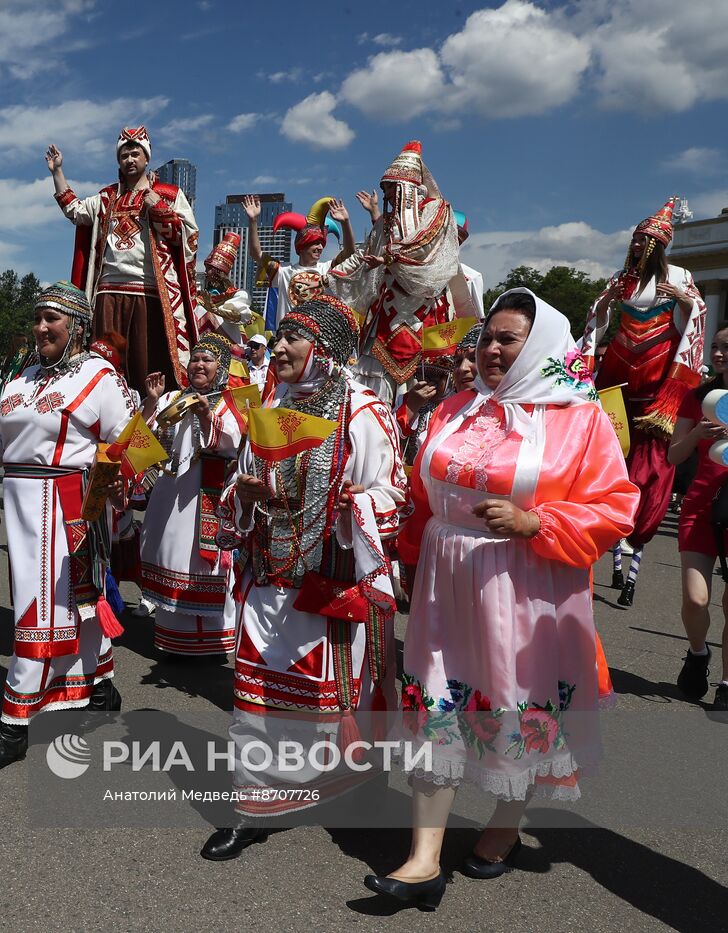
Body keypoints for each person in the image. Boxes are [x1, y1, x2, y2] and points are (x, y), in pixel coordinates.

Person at [364, 289, 637, 910]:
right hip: (445, 579)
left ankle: (507, 823)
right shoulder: (455, 409)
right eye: (486, 337)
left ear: (537, 347)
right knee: (439, 698)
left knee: (516, 698)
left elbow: (616, 507)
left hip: (527, 584)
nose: (490, 348)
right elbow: (421, 488)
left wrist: (535, 523)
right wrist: (406, 556)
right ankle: (423, 860)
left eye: (506, 339)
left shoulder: (579, 418)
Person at [200, 295, 406, 862]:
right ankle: (252, 804)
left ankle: (356, 788)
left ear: (328, 350)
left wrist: (351, 506)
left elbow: (394, 497)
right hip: (270, 575)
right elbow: (238, 481)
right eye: (279, 335)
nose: (282, 347)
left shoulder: (362, 410)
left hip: (332, 582)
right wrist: (244, 495)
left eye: (296, 337)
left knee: (340, 699)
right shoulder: (270, 407)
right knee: (255, 696)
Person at [0, 282, 136, 773]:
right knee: (70, 605)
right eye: (38, 318)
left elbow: (128, 443)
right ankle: (99, 687)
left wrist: (99, 504)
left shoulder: (98, 375)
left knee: (38, 612)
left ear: (78, 326)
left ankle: (14, 725)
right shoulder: (22, 377)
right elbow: (4, 442)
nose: (41, 327)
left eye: (53, 320)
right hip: (21, 502)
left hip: (65, 507)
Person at [582, 199, 708, 606]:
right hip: (618, 375)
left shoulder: (680, 276)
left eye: (648, 242)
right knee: (613, 461)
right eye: (637, 240)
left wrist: (685, 302)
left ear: (662, 246)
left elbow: (698, 316)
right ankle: (617, 552)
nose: (640, 247)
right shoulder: (623, 277)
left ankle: (635, 549)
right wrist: (602, 306)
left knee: (649, 472)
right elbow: (598, 317)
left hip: (657, 384)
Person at [48, 127, 202, 393]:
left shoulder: (168, 194)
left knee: (148, 366)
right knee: (105, 364)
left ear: (146, 158)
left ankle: (150, 422)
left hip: (150, 292)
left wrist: (160, 209)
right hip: (108, 292)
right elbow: (75, 211)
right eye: (124, 155)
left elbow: (186, 238)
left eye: (135, 153)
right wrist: (57, 172)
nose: (130, 159)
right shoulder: (107, 197)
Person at [326, 141, 472, 404]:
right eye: (387, 189)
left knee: (429, 383)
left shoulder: (437, 213)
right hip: (387, 314)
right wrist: (333, 275)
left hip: (427, 313)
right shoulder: (385, 223)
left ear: (409, 189)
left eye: (394, 188)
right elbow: (364, 254)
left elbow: (425, 249)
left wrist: (389, 258)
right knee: (374, 380)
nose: (390, 194)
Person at [138, 332, 245, 658]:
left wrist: (204, 415)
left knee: (201, 564)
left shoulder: (229, 403)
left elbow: (233, 442)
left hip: (206, 501)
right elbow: (144, 442)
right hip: (170, 496)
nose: (199, 364)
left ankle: (211, 646)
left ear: (222, 367)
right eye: (195, 358)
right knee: (170, 556)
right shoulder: (172, 398)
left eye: (207, 360)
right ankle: (173, 642)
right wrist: (153, 401)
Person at [667, 323, 728, 712]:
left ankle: (726, 683)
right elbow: (674, 455)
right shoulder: (699, 397)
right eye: (716, 347)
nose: (717, 354)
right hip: (701, 504)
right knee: (696, 597)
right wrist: (697, 436)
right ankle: (697, 651)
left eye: (727, 348)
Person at [246, 195, 355, 326]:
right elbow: (256, 253)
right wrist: (253, 221)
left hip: (320, 338)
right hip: (289, 336)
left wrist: (345, 222)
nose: (320, 248)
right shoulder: (283, 271)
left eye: (322, 244)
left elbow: (349, 253)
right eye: (315, 243)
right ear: (301, 247)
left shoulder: (327, 268)